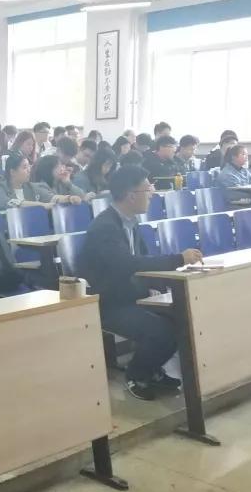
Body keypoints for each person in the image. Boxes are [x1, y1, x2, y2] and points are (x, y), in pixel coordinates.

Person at [78, 165, 203, 401]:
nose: (152, 194)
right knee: (161, 331)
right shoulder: (105, 227)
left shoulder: (130, 221)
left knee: (181, 317)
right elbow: (128, 264)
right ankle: (136, 374)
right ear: (131, 195)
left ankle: (152, 369)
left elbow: (144, 260)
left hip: (130, 296)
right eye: (147, 189)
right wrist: (178, 259)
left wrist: (159, 286)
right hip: (109, 303)